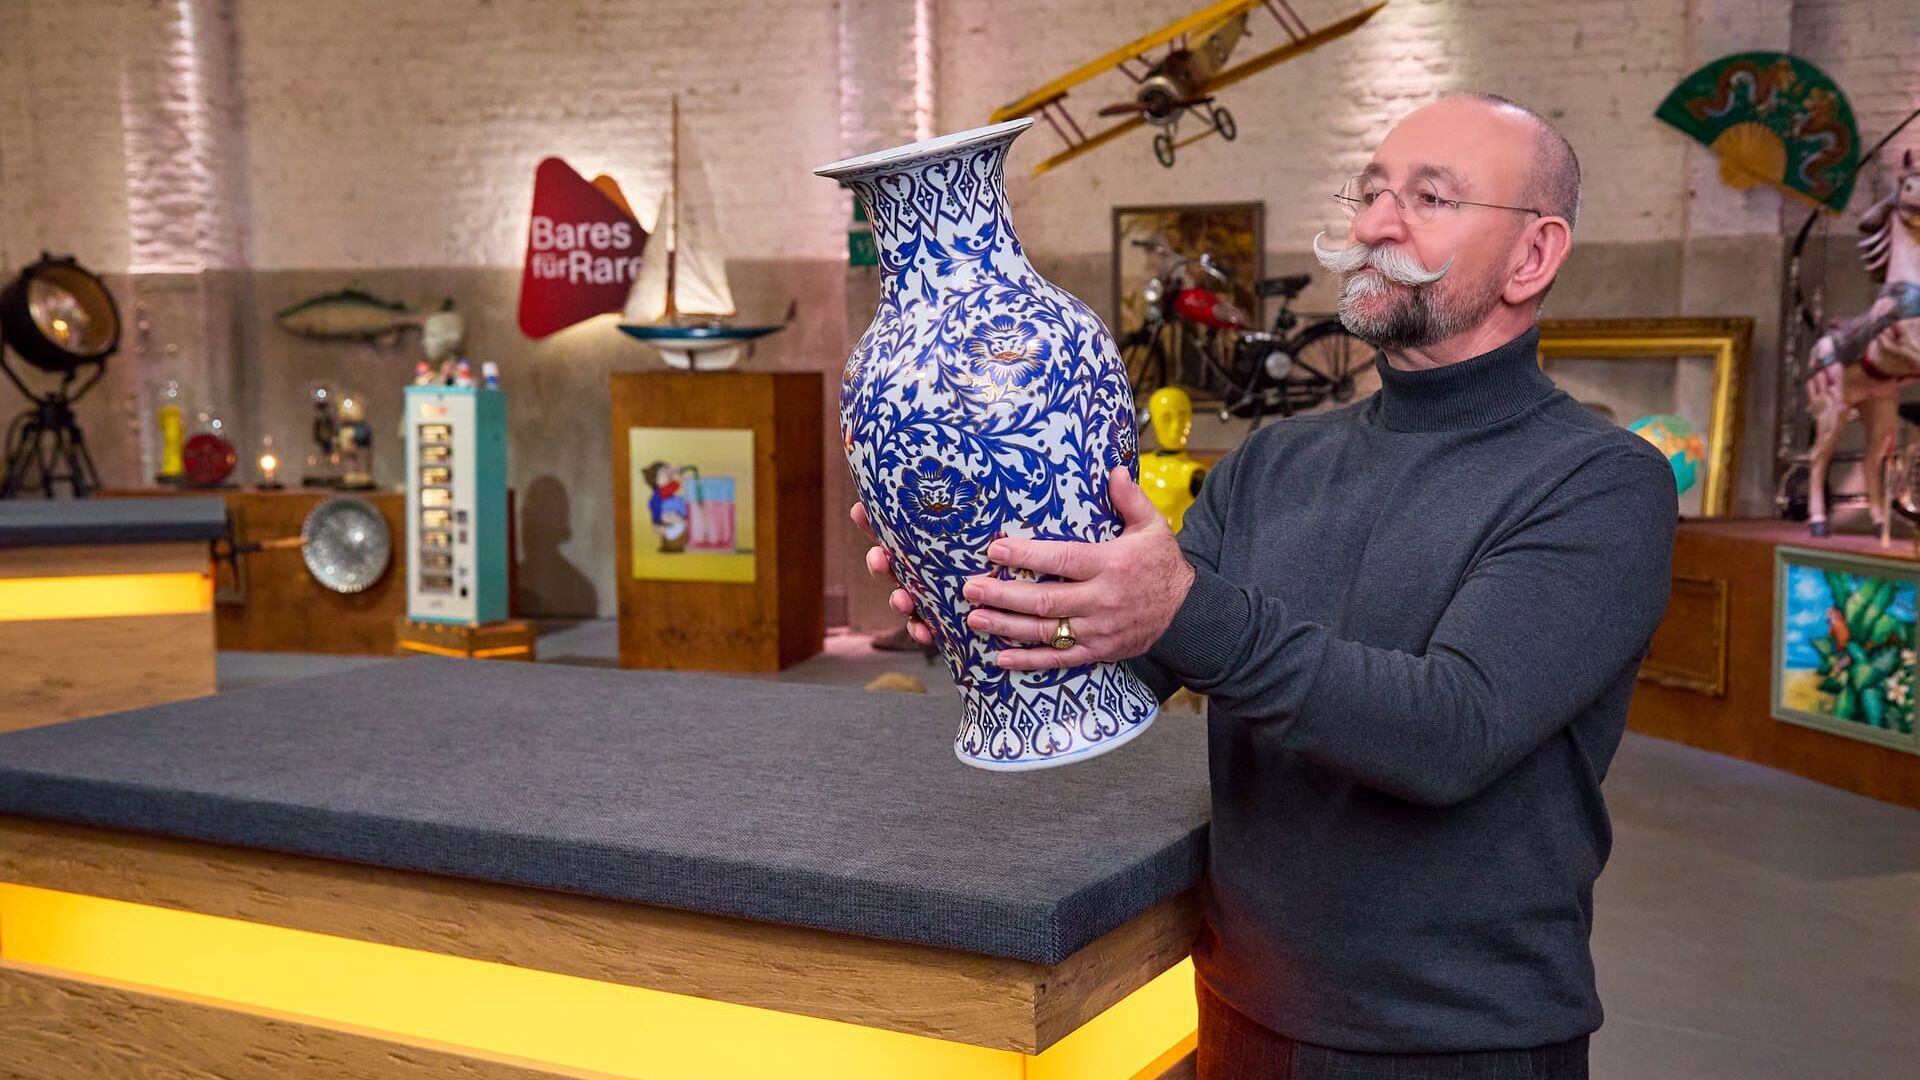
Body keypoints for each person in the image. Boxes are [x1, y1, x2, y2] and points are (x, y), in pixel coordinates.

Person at [854, 94, 1677, 1079]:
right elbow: (1133, 665)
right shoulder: (1276, 461)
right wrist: (999, 610)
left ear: (1534, 255)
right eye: (1369, 191)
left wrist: (1181, 609)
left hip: (1458, 1041)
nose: (1377, 223)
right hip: (1242, 1010)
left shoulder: (1601, 483)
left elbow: (1450, 732)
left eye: (1430, 198)